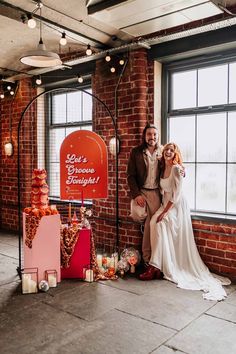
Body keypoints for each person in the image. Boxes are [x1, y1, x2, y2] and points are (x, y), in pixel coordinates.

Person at [140, 142, 231, 301]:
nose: (168, 152)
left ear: (175, 153)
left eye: (171, 150)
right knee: (154, 222)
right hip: (165, 204)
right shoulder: (163, 167)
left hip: (175, 206)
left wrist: (165, 213)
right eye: (166, 149)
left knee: (160, 224)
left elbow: (175, 196)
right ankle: (158, 264)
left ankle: (155, 267)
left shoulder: (176, 169)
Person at [127, 123, 162, 265]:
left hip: (155, 193)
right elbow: (130, 175)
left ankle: (149, 259)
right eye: (149, 134)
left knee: (151, 225)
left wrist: (182, 170)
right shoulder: (136, 152)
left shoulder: (163, 151)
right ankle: (150, 258)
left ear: (158, 136)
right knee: (137, 215)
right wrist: (137, 195)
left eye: (154, 134)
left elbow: (174, 162)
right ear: (144, 136)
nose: (152, 137)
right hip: (141, 191)